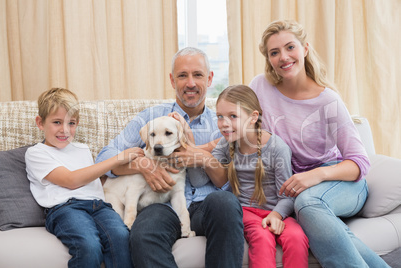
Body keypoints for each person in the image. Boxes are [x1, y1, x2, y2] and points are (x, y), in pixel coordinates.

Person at [249, 20, 390, 267]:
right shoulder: (260, 87)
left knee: (308, 202)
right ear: (268, 58)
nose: (283, 57)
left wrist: (316, 175)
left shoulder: (328, 101)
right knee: (319, 217)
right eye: (274, 52)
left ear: (304, 48)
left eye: (290, 47)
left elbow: (359, 163)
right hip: (297, 192)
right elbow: (235, 125)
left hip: (342, 184)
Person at [95, 47, 244, 267]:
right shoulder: (152, 117)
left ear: (210, 78)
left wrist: (203, 158)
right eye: (182, 75)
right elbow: (104, 158)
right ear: (172, 80)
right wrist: (145, 165)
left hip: (207, 203)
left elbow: (232, 182)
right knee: (143, 234)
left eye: (198, 75)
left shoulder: (222, 123)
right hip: (161, 204)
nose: (190, 83)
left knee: (226, 203)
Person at [25, 88, 141, 268]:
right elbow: (72, 180)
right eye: (57, 122)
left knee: (121, 236)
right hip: (66, 208)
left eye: (71, 123)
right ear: (40, 123)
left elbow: (93, 181)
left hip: (99, 206)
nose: (65, 130)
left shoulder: (82, 149)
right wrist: (118, 159)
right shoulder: (36, 153)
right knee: (89, 245)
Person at [208, 85, 309, 268]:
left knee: (296, 237)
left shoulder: (278, 148)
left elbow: (287, 195)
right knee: (262, 236)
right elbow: (202, 178)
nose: (224, 123)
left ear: (253, 117)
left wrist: (277, 215)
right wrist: (197, 155)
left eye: (233, 116)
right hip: (245, 211)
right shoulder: (225, 145)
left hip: (278, 210)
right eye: (219, 116)